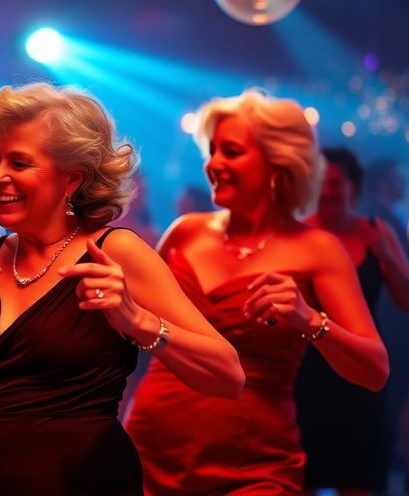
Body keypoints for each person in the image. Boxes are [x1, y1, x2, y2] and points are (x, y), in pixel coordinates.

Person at [0, 83, 245, 495]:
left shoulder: (115, 251)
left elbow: (228, 375)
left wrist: (138, 322)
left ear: (71, 179)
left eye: (19, 163)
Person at [125, 90, 390, 495]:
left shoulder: (317, 248)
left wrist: (308, 319)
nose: (214, 164)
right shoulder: (185, 232)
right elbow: (134, 344)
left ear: (277, 164)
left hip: (251, 463)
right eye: (212, 152)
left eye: (231, 152)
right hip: (150, 450)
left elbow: (374, 372)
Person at [296, 148, 409, 495]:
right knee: (305, 476)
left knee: (361, 475)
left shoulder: (374, 230)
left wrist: (384, 255)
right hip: (307, 371)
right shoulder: (296, 234)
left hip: (361, 366)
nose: (327, 191)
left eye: (335, 183)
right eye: (320, 183)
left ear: (353, 187)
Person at [361, 158, 409, 492]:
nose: (404, 182)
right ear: (385, 181)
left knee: (406, 394)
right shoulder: (378, 218)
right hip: (397, 324)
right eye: (398, 177)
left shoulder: (381, 214)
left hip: (395, 323)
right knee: (407, 394)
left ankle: (406, 466)